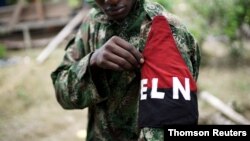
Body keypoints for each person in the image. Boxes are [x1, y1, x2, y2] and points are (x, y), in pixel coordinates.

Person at [51, 0, 201, 140]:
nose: (111, 0)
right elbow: (62, 93)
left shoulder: (163, 30)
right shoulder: (93, 21)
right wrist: (92, 64)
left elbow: (171, 125)